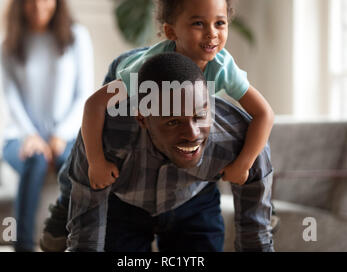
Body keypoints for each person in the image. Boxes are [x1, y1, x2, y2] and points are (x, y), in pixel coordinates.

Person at [83, 0, 274, 193]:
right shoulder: (146, 72)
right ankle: (63, 203)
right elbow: (94, 104)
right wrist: (95, 162)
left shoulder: (223, 67)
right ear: (171, 32)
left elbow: (264, 114)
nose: (212, 33)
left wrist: (244, 163)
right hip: (127, 68)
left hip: (174, 105)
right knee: (106, 129)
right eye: (198, 23)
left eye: (220, 23)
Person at [65, 52, 273, 251]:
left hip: (194, 203)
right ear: (143, 119)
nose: (192, 134)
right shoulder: (106, 138)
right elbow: (85, 242)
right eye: (174, 121)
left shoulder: (238, 139)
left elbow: (256, 240)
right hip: (124, 207)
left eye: (200, 115)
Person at [0, 0, 95, 252]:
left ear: (56, 0)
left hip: (68, 135)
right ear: (20, 3)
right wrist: (32, 136)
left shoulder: (77, 37)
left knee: (73, 164)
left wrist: (59, 135)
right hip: (19, 137)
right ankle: (23, 245)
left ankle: (75, 242)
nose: (38, 5)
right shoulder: (5, 45)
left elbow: (84, 95)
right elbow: (10, 100)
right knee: (35, 159)